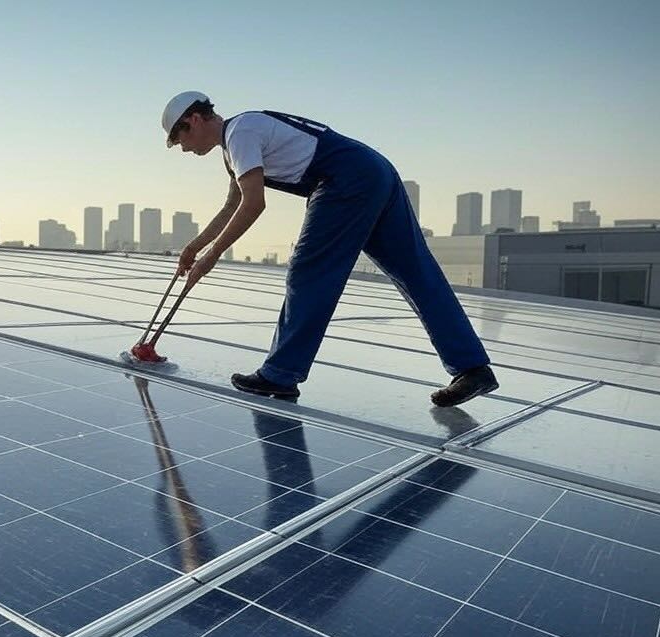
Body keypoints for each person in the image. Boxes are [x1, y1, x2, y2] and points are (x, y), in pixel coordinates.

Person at [162, 90, 498, 407]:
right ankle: (473, 369)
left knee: (309, 272)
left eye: (180, 140)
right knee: (415, 271)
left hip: (343, 180)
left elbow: (253, 204)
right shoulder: (237, 142)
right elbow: (231, 205)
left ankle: (280, 374)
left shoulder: (240, 134)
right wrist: (194, 247)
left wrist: (212, 257)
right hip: (375, 170)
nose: (183, 149)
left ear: (193, 120)